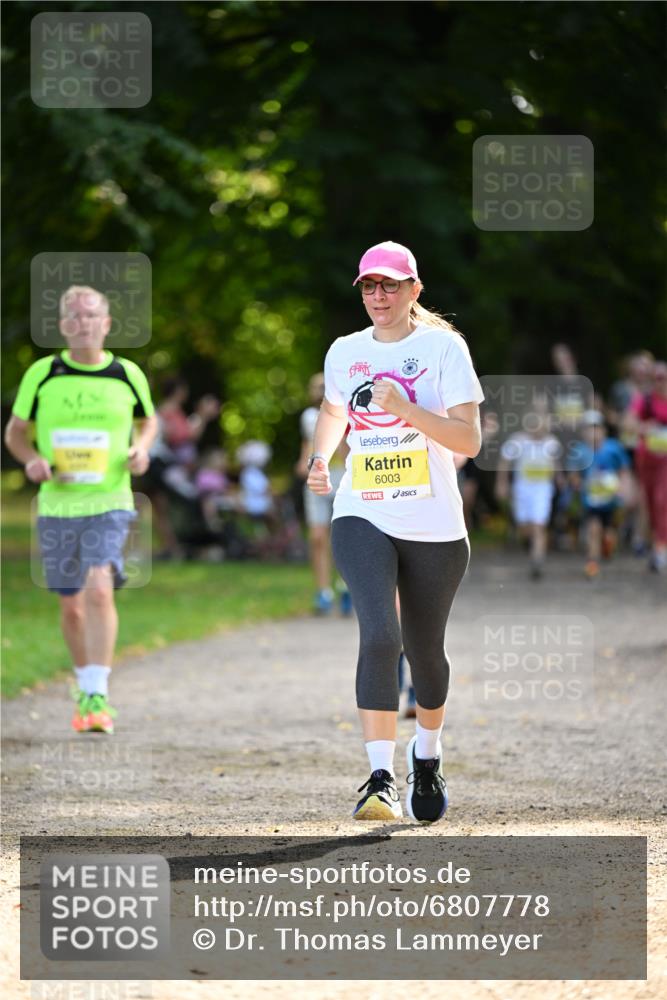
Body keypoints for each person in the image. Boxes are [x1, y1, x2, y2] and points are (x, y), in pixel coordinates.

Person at [306, 241, 483, 823]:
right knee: (380, 635)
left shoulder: (442, 349)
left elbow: (468, 441)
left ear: (413, 290)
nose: (377, 297)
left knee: (425, 652)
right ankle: (380, 779)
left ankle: (426, 754)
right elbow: (335, 411)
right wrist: (320, 459)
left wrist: (406, 409)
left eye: (389, 285)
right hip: (364, 510)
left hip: (433, 520)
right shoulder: (344, 352)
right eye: (368, 287)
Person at [4, 285, 157, 733]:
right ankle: (83, 683)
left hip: (111, 501)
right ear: (63, 325)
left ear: (106, 323)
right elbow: (15, 432)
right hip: (57, 503)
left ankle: (97, 695)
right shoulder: (43, 373)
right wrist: (30, 458)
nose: (83, 322)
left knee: (99, 588)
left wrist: (141, 449)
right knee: (71, 607)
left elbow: (148, 422)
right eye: (74, 316)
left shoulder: (126, 373)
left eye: (91, 315)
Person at [296, 372, 351, 615]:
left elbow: (347, 452)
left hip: (344, 481)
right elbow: (307, 447)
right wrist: (302, 463)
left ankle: (346, 585)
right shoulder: (308, 417)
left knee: (343, 538)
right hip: (317, 482)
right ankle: (323, 591)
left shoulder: (348, 412)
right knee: (318, 537)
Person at [495, 412, 561, 579]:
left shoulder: (551, 442)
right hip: (522, 489)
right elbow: (504, 461)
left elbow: (555, 463)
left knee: (539, 525)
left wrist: (560, 478)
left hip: (543, 489)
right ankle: (530, 544)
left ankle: (537, 562)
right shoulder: (517, 440)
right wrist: (501, 483)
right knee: (525, 527)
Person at [568, 411, 632, 579]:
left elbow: (624, 470)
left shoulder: (614, 448)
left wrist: (623, 487)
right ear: (583, 432)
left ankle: (608, 545)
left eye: (597, 428)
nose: (594, 433)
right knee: (593, 529)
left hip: (611, 501)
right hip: (590, 501)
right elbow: (573, 475)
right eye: (589, 429)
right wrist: (578, 484)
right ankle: (592, 563)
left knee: (608, 532)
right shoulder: (579, 451)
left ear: (604, 430)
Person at [625, 361, 667, 573]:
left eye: (663, 378)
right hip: (647, 460)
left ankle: (661, 550)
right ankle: (657, 546)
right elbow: (628, 423)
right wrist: (645, 427)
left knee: (662, 500)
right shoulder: (644, 400)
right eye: (657, 379)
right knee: (650, 505)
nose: (660, 383)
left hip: (665, 463)